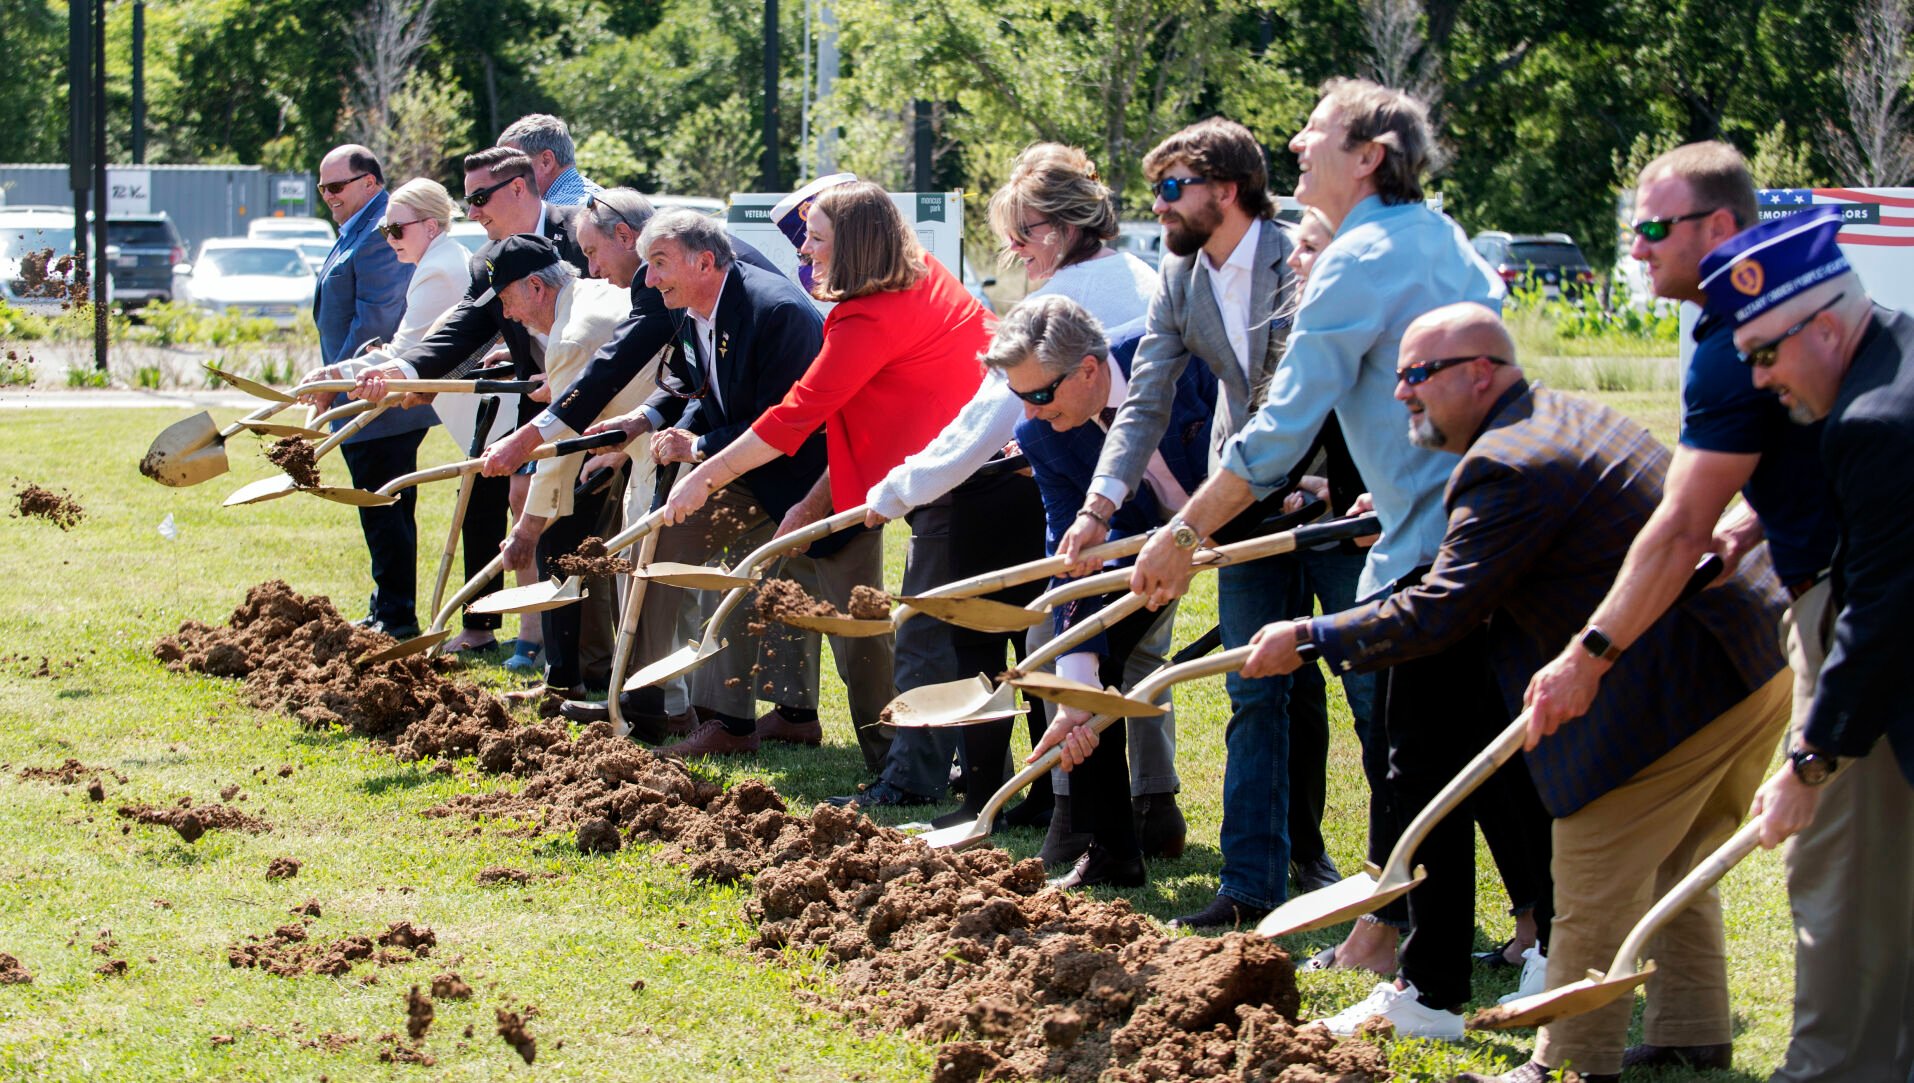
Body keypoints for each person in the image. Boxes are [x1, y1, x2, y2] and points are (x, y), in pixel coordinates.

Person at [1235, 304, 1789, 1063]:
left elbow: (1441, 611)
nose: (1401, 393)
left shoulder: (1508, 462)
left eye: (1416, 375)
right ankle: (1691, 1035)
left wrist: (1310, 634)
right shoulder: (1552, 421)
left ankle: (1565, 1061)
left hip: (1692, 669)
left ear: (1480, 372)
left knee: (1593, 851)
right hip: (1749, 654)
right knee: (1675, 853)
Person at [1127, 84, 1554, 1022]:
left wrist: (1182, 529)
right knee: (1468, 757)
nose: (1296, 142)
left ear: (1371, 153)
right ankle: (1479, 954)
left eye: (1316, 132)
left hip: (1429, 549)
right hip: (1487, 531)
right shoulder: (1440, 233)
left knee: (1421, 763)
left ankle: (1438, 982)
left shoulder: (1356, 259)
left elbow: (1279, 431)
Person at [1517, 147, 1876, 1080]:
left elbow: (1677, 528)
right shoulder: (1790, 327)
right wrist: (1756, 521)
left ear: (1720, 229)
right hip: (1824, 597)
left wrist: (1589, 653)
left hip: (1847, 610)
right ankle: (1709, 1029)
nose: (1634, 249)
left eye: (1650, 228)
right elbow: (1812, 460)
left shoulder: (1734, 344)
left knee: (1834, 870)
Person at [861, 143, 1174, 846]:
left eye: (1021, 235)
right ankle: (1153, 806)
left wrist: (897, 490)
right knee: (1137, 653)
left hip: (1143, 493)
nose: (1014, 250)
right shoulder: (1136, 272)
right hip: (1122, 490)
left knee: (1064, 641)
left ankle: (1078, 813)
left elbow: (993, 416)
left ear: (1060, 231)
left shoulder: (1065, 298)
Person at [658, 180, 989, 780]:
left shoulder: (864, 321)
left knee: (896, 632)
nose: (803, 253)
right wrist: (810, 502)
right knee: (932, 633)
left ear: (857, 246)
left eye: (814, 239)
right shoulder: (921, 276)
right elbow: (870, 419)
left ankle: (910, 770)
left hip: (968, 475)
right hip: (928, 466)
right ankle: (912, 765)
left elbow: (792, 417)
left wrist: (705, 475)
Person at [1702, 208, 1911, 1083]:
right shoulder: (1895, 352)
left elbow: (1884, 610)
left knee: (1855, 893)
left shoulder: (1876, 422)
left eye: (1765, 354)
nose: (1757, 378)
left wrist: (1811, 759)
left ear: (1825, 324)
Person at [481, 193, 793, 736]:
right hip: (692, 441)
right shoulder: (666, 277)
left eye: (594, 252)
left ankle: (669, 706)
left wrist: (529, 442)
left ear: (629, 238)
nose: (592, 269)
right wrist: (641, 421)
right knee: (654, 567)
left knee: (676, 574)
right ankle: (654, 701)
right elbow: (687, 378)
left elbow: (610, 369)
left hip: (757, 455)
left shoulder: (681, 280)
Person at [993, 294, 1215, 888]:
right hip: (1138, 551)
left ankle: (1295, 855)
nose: (1031, 413)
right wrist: (1079, 672)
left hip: (1256, 517)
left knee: (1279, 690)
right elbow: (1073, 554)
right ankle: (1113, 848)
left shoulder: (1180, 363)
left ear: (1089, 369)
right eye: (1020, 397)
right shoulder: (1041, 436)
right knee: (1076, 675)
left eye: (1040, 394)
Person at [349, 148, 590, 680]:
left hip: (614, 400)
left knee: (578, 517)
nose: (473, 211)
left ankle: (578, 644)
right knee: (526, 501)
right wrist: (403, 373)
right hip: (539, 401)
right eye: (468, 200)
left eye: (480, 198)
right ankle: (540, 635)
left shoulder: (581, 233)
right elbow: (461, 328)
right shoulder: (488, 260)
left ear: (520, 189)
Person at [481, 234, 654, 700]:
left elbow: (557, 456)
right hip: (629, 437)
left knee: (569, 544)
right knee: (578, 541)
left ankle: (621, 692)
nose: (508, 315)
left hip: (652, 444)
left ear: (536, 287)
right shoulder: (589, 296)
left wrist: (525, 530)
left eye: (507, 300)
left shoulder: (569, 338)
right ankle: (575, 674)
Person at [309, 144, 429, 638]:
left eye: (337, 187)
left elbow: (376, 319)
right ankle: (387, 606)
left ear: (370, 183)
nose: (329, 196)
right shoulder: (357, 229)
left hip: (374, 397)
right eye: (323, 188)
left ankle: (397, 616)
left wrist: (337, 382)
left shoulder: (381, 233)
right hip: (359, 390)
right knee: (378, 505)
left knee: (383, 505)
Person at [499, 113, 602, 207]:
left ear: (546, 161)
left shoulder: (561, 214)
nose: (503, 178)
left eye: (510, 167)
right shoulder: (597, 199)